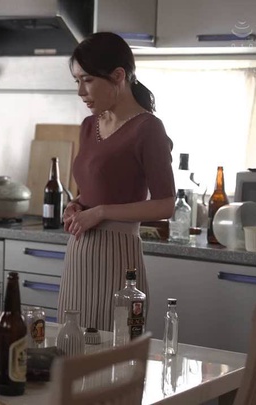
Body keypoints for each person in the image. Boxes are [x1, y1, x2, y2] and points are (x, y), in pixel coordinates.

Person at [57, 32, 176, 331]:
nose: (80, 91)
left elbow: (165, 205)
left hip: (118, 256)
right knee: (71, 345)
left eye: (87, 80)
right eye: (77, 81)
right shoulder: (89, 126)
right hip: (79, 254)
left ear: (118, 76)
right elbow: (93, 188)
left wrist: (100, 212)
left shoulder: (148, 128)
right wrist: (75, 205)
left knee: (113, 348)